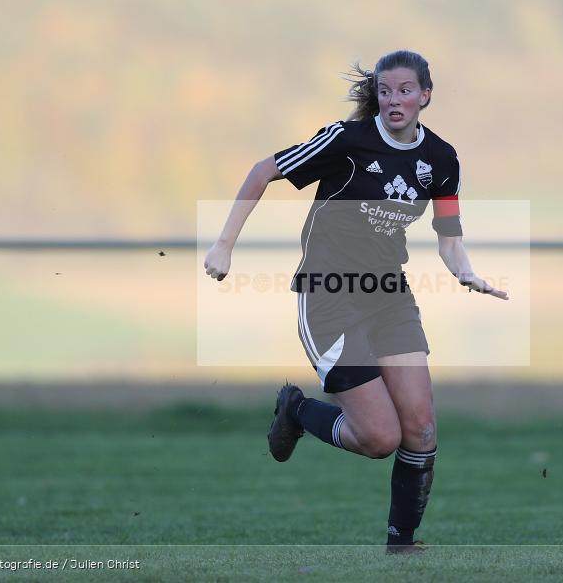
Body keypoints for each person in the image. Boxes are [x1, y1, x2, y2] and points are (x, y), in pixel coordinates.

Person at [203, 50, 507, 553]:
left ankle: (401, 547)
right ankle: (297, 411)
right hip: (329, 296)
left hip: (388, 296)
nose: (394, 100)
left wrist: (466, 272)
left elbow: (449, 238)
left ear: (425, 95)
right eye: (385, 91)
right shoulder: (347, 140)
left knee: (421, 427)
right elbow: (262, 171)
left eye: (405, 91)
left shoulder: (442, 159)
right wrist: (223, 245)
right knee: (379, 438)